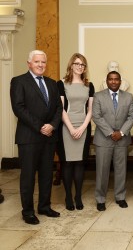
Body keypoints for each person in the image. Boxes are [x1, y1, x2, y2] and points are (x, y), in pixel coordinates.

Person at [10, 50, 63, 225]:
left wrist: (52, 125)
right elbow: (19, 108)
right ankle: (28, 212)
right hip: (29, 137)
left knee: (47, 174)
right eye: (37, 62)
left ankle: (44, 206)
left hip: (49, 137)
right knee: (28, 176)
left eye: (43, 62)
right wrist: (40, 126)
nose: (41, 65)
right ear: (29, 63)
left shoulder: (52, 83)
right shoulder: (19, 81)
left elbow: (58, 108)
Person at [92, 71, 133, 211]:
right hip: (104, 139)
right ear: (107, 81)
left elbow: (132, 116)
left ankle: (120, 197)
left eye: (116, 79)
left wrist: (121, 132)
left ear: (120, 81)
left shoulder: (128, 97)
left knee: (121, 170)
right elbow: (96, 116)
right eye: (111, 79)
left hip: (122, 140)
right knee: (102, 171)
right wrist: (111, 133)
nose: (114, 82)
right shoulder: (98, 96)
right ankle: (100, 199)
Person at [57, 53, 94, 211]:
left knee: (80, 163)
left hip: (84, 127)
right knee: (67, 163)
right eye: (77, 64)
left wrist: (82, 127)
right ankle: (68, 196)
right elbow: (61, 109)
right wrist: (71, 128)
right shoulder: (61, 84)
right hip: (66, 126)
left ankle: (78, 196)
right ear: (71, 65)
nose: (80, 67)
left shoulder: (89, 85)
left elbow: (90, 110)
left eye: (83, 64)